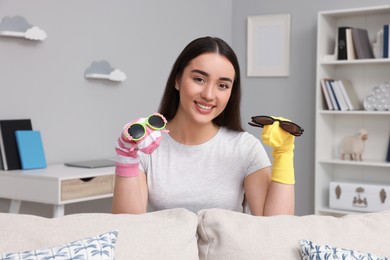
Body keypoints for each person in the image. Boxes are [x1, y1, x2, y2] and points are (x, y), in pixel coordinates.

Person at [112, 36, 295, 216]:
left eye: (222, 85)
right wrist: (127, 156)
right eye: (199, 79)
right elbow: (129, 225)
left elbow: (275, 227)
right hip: (169, 246)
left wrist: (284, 155)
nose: (208, 94)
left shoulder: (245, 147)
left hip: (228, 247)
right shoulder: (147, 145)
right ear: (177, 80)